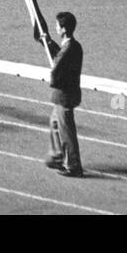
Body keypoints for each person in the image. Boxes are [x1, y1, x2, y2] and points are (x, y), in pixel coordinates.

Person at [42, 11, 84, 177]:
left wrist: (53, 82)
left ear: (64, 29)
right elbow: (61, 56)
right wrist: (50, 43)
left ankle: (73, 165)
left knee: (66, 131)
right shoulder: (73, 46)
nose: (56, 28)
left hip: (65, 96)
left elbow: (57, 69)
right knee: (55, 125)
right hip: (67, 94)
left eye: (57, 26)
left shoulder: (69, 49)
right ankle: (59, 156)